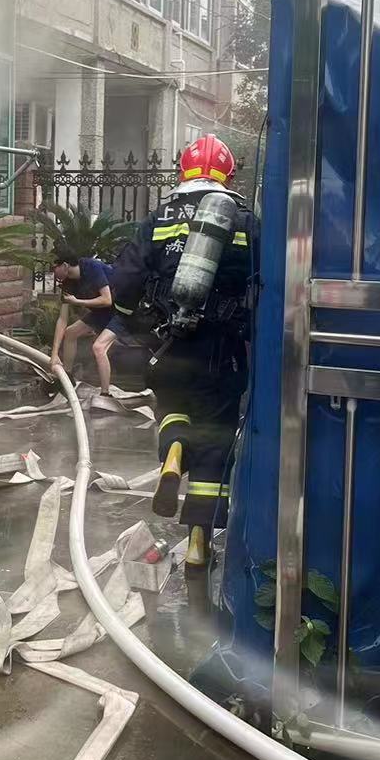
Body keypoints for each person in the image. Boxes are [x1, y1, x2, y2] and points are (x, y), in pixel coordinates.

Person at [111, 135, 258, 570]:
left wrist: (136, 326)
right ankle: (198, 543)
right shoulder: (245, 220)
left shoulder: (158, 217)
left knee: (173, 405)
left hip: (168, 341)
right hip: (222, 349)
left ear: (182, 172)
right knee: (215, 437)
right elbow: (268, 281)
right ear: (229, 176)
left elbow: (123, 284)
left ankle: (174, 450)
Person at [48, 249, 121, 394]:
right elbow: (62, 319)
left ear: (65, 266)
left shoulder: (92, 267)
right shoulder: (67, 283)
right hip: (101, 313)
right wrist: (54, 354)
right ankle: (67, 377)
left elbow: (107, 300)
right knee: (70, 333)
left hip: (120, 313)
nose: (52, 272)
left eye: (53, 268)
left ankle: (105, 394)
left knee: (98, 348)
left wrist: (78, 301)